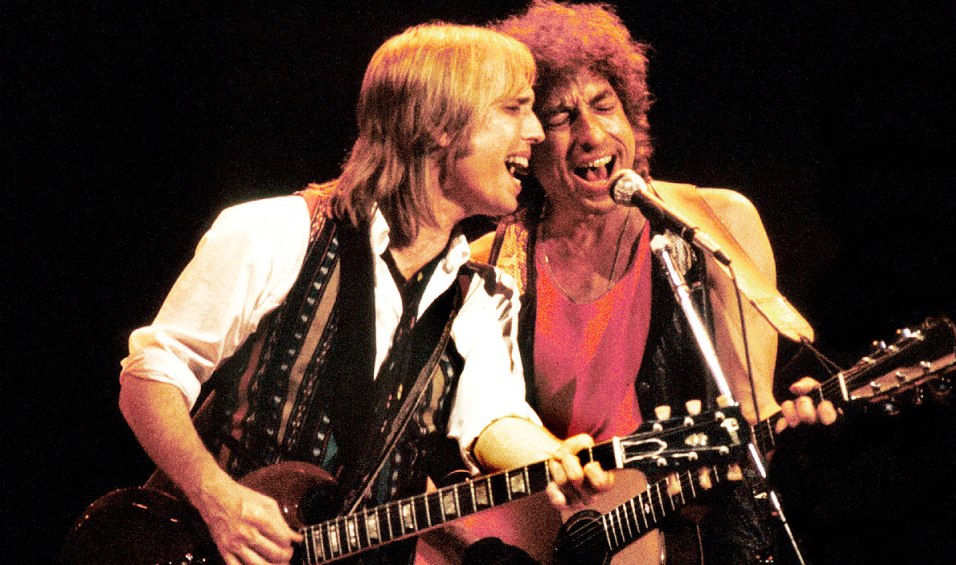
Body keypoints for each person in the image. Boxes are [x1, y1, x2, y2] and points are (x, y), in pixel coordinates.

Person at [117, 23, 611, 565]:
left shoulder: (482, 294)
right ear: (439, 123)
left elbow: (491, 418)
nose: (537, 132)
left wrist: (553, 457)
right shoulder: (278, 232)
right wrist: (217, 498)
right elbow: (150, 378)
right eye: (514, 108)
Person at [419, 2, 838, 564]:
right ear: (527, 139)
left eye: (604, 105)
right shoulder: (487, 264)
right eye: (561, 117)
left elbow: (750, 413)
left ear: (631, 113)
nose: (592, 135)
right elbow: (454, 441)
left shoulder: (716, 225)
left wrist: (792, 426)